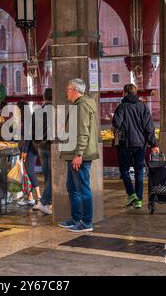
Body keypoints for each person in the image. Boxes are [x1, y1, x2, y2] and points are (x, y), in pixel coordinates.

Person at [58, 79, 99, 233]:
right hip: (73, 154)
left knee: (82, 188)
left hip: (79, 155)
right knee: (72, 187)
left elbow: (83, 132)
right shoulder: (78, 105)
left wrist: (79, 154)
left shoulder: (82, 106)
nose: (66, 92)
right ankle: (75, 218)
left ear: (74, 90)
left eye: (68, 89)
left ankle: (87, 222)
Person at [112, 84, 160, 210]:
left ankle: (131, 193)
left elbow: (116, 123)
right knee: (139, 171)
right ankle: (138, 199)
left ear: (125, 93)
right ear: (135, 92)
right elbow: (149, 127)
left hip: (125, 144)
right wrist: (153, 144)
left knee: (124, 170)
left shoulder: (122, 107)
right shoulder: (142, 107)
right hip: (140, 145)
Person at [33, 88, 53, 215]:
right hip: (51, 147)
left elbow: (32, 131)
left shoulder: (37, 111)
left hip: (41, 147)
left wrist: (38, 143)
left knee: (47, 176)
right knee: (52, 177)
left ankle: (49, 202)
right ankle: (44, 202)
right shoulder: (56, 111)